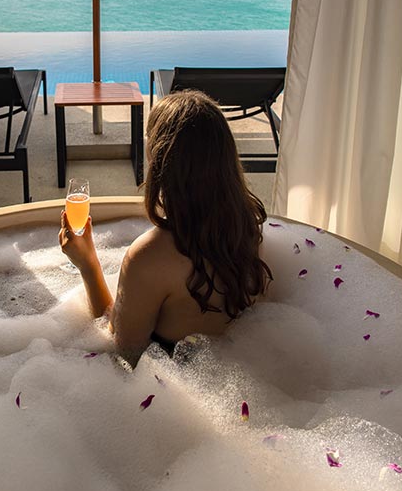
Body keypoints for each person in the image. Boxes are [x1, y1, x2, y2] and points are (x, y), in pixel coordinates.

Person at [59, 89, 272, 363]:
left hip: (169, 391)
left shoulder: (150, 255)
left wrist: (88, 264)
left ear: (160, 163)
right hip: (237, 375)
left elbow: (123, 349)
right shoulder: (249, 229)